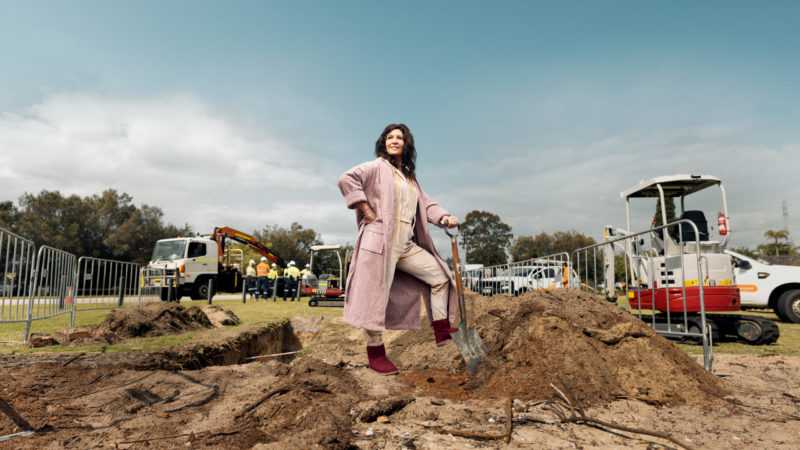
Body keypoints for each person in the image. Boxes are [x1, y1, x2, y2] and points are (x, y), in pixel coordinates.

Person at [338, 123, 459, 375]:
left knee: (439, 277)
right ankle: (376, 354)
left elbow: (427, 204)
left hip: (405, 243)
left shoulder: (409, 178)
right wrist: (367, 210)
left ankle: (441, 329)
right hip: (380, 240)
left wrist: (444, 217)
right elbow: (346, 179)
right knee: (376, 297)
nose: (394, 141)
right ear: (384, 142)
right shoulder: (376, 167)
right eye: (390, 137)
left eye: (399, 138)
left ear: (406, 144)